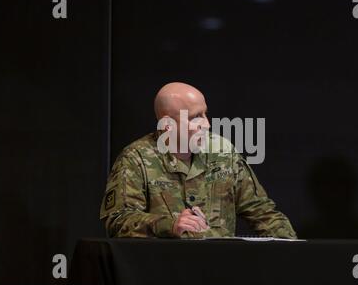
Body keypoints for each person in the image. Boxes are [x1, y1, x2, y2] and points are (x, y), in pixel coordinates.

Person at [99, 82, 296, 238]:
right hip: (164, 271)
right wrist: (170, 225)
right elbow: (118, 221)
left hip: (221, 272)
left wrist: (295, 252)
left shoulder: (222, 152)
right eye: (195, 117)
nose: (207, 124)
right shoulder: (137, 159)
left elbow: (262, 211)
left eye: (205, 114)